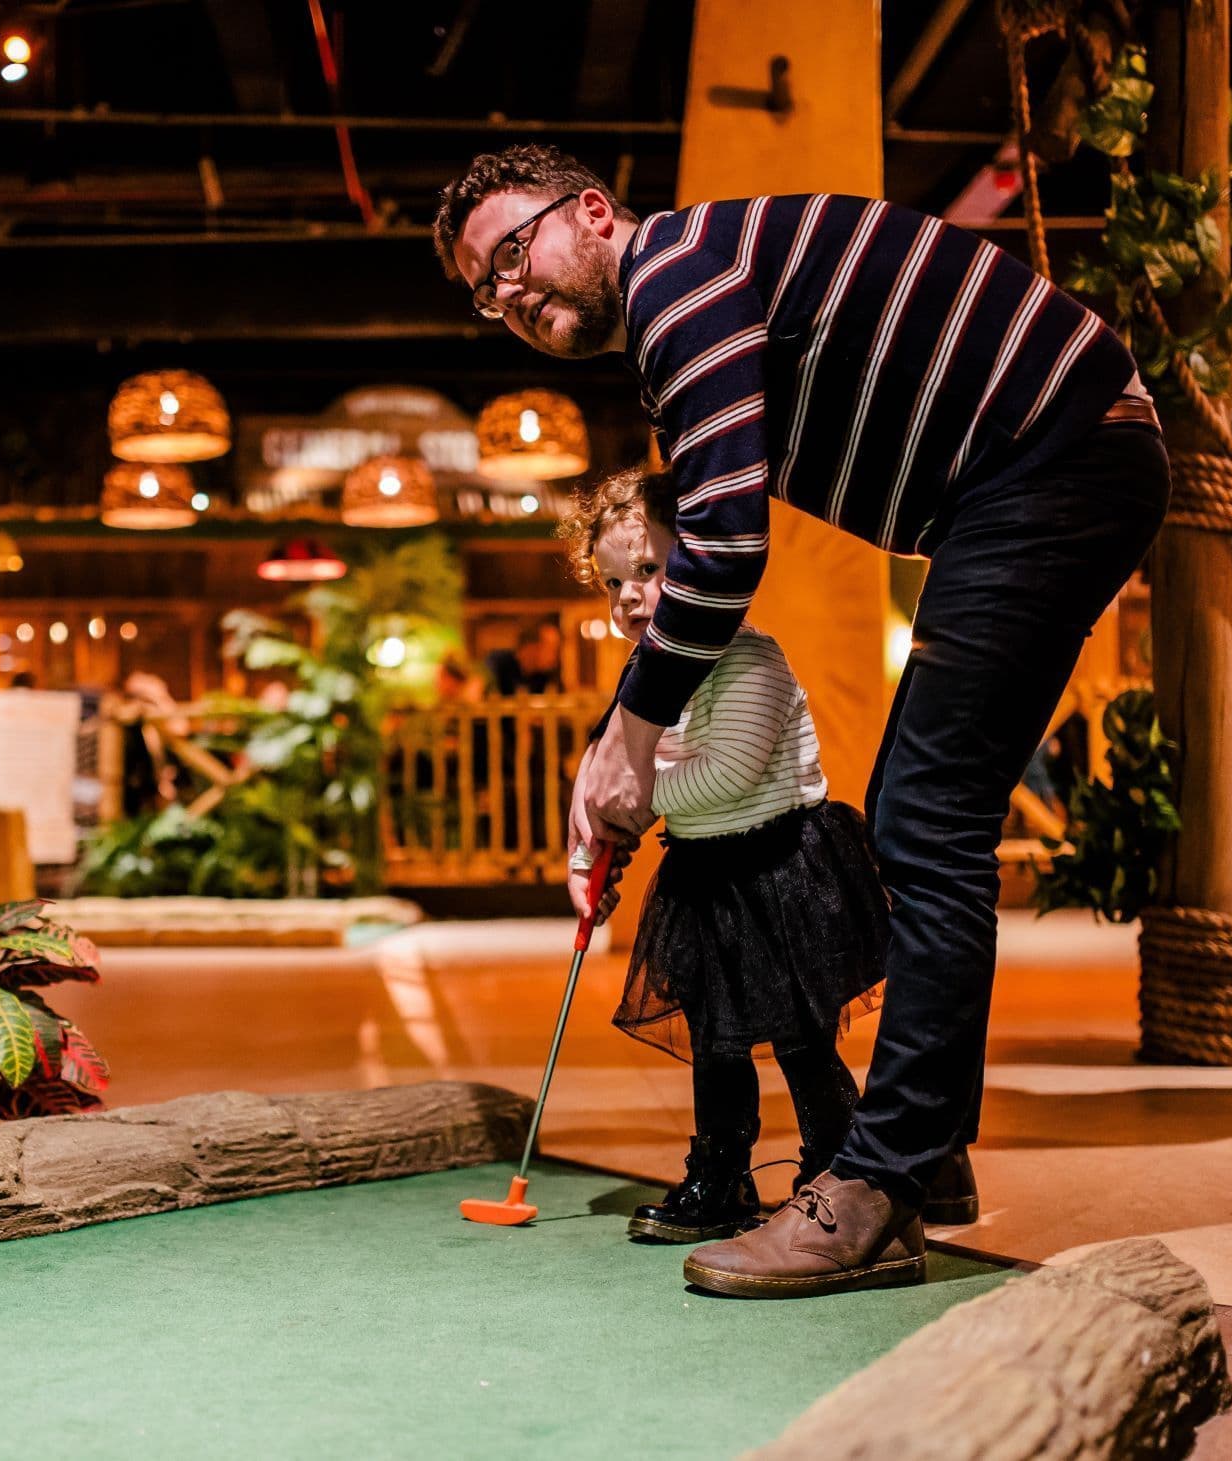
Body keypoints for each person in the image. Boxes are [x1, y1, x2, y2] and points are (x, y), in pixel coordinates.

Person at [435, 145, 1168, 1298]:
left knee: (925, 824)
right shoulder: (689, 299)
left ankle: (875, 1194)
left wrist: (628, 738)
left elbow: (724, 544)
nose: (510, 292)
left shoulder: (676, 270)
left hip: (1050, 458)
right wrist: (620, 744)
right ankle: (924, 1157)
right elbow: (713, 524)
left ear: (592, 211)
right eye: (486, 289)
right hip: (1042, 469)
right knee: (933, 819)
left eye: (514, 250)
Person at [562, 468, 889, 1246]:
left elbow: (728, 771)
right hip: (705, 878)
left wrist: (636, 798)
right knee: (716, 1043)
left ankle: (838, 1166)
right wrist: (590, 854)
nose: (629, 597)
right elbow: (611, 765)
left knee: (803, 1040)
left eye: (648, 569)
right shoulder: (645, 681)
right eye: (612, 582)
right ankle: (720, 1172)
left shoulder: (748, 660)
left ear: (701, 564)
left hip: (781, 871)